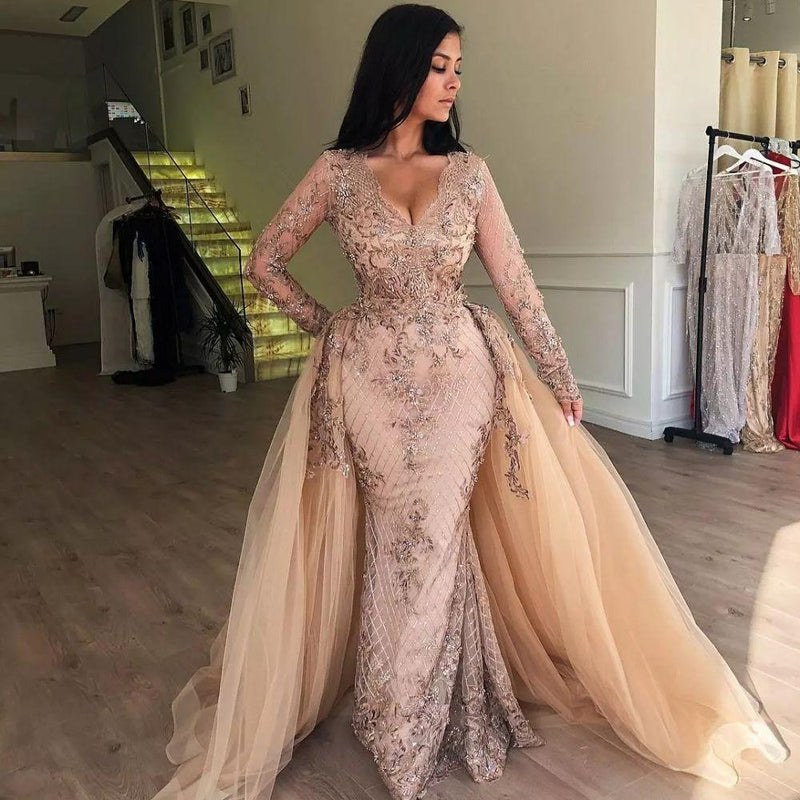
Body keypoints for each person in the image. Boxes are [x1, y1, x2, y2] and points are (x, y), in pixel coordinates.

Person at [150, 5, 790, 800]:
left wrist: (561, 375)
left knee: (441, 528)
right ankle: (396, 711)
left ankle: (423, 716)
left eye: (459, 69)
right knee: (401, 534)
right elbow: (264, 263)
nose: (453, 82)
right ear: (400, 65)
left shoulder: (471, 173)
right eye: (440, 66)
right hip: (370, 381)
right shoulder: (337, 172)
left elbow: (515, 283)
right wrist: (330, 328)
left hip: (461, 375)